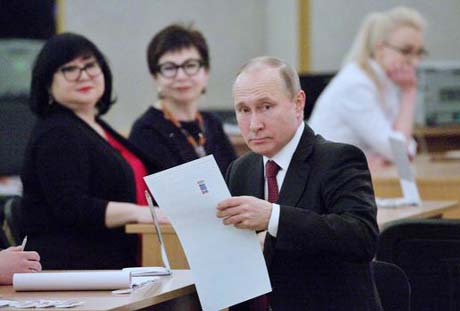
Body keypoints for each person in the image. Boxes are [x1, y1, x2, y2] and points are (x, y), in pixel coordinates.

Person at [216, 57, 381, 311]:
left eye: (266, 107)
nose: (255, 124)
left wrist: (273, 217)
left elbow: (362, 237)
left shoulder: (338, 158)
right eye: (244, 110)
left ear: (298, 103)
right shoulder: (240, 169)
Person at [20, 33, 168, 270]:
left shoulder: (94, 125)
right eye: (69, 69)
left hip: (116, 260)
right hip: (75, 270)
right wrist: (139, 213)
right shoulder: (56, 133)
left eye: (90, 65)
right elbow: (71, 207)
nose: (84, 76)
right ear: (48, 83)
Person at [309, 7, 426, 171]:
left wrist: (391, 154)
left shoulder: (384, 82)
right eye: (406, 51)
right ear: (380, 48)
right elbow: (398, 152)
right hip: (324, 181)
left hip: (344, 175)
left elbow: (406, 149)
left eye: (419, 53)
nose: (414, 62)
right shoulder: (356, 83)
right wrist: (409, 92)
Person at [129, 24, 236, 176]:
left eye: (190, 65)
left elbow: (234, 178)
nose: (181, 76)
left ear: (206, 72)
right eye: (169, 68)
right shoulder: (146, 130)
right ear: (155, 77)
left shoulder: (212, 123)